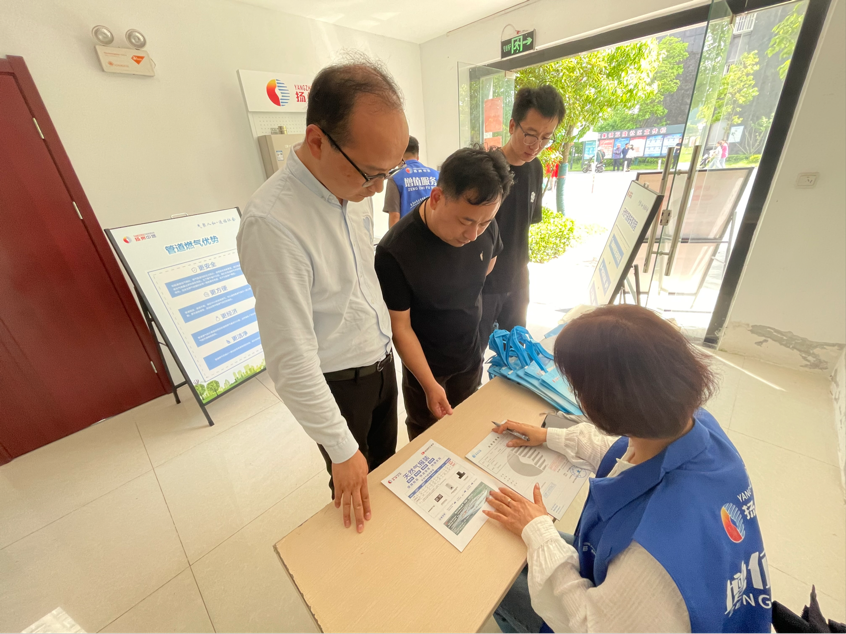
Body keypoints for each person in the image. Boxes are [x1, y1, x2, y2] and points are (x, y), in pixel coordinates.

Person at [485, 304, 770, 634]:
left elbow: (587, 625)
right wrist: (550, 436)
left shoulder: (649, 555)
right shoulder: (696, 426)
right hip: (687, 598)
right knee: (522, 543)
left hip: (610, 618)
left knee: (494, 576)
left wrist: (538, 529)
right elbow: (623, 449)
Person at [237, 58, 408, 534]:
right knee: (355, 490)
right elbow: (290, 359)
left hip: (380, 365)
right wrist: (340, 446)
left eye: (388, 172)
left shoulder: (351, 189)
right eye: (370, 173)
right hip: (339, 384)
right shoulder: (273, 223)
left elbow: (359, 283)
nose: (378, 188)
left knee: (385, 475)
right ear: (317, 141)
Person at [375, 146, 513, 439]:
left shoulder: (484, 224)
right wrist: (429, 385)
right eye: (466, 221)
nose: (473, 235)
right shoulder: (395, 251)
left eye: (485, 222)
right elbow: (400, 327)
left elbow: (485, 269)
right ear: (437, 197)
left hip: (470, 354)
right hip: (426, 368)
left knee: (467, 429)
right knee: (426, 437)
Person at [479, 85, 565, 349]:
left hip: (518, 281)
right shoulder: (485, 170)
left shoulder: (536, 168)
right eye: (530, 135)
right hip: (484, 283)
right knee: (473, 357)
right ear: (512, 125)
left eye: (546, 138)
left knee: (516, 355)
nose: (536, 146)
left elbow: (524, 225)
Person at [383, 135, 439, 228]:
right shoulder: (437, 175)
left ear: (399, 156)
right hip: (434, 232)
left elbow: (394, 216)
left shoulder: (395, 178)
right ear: (417, 156)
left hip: (410, 233)